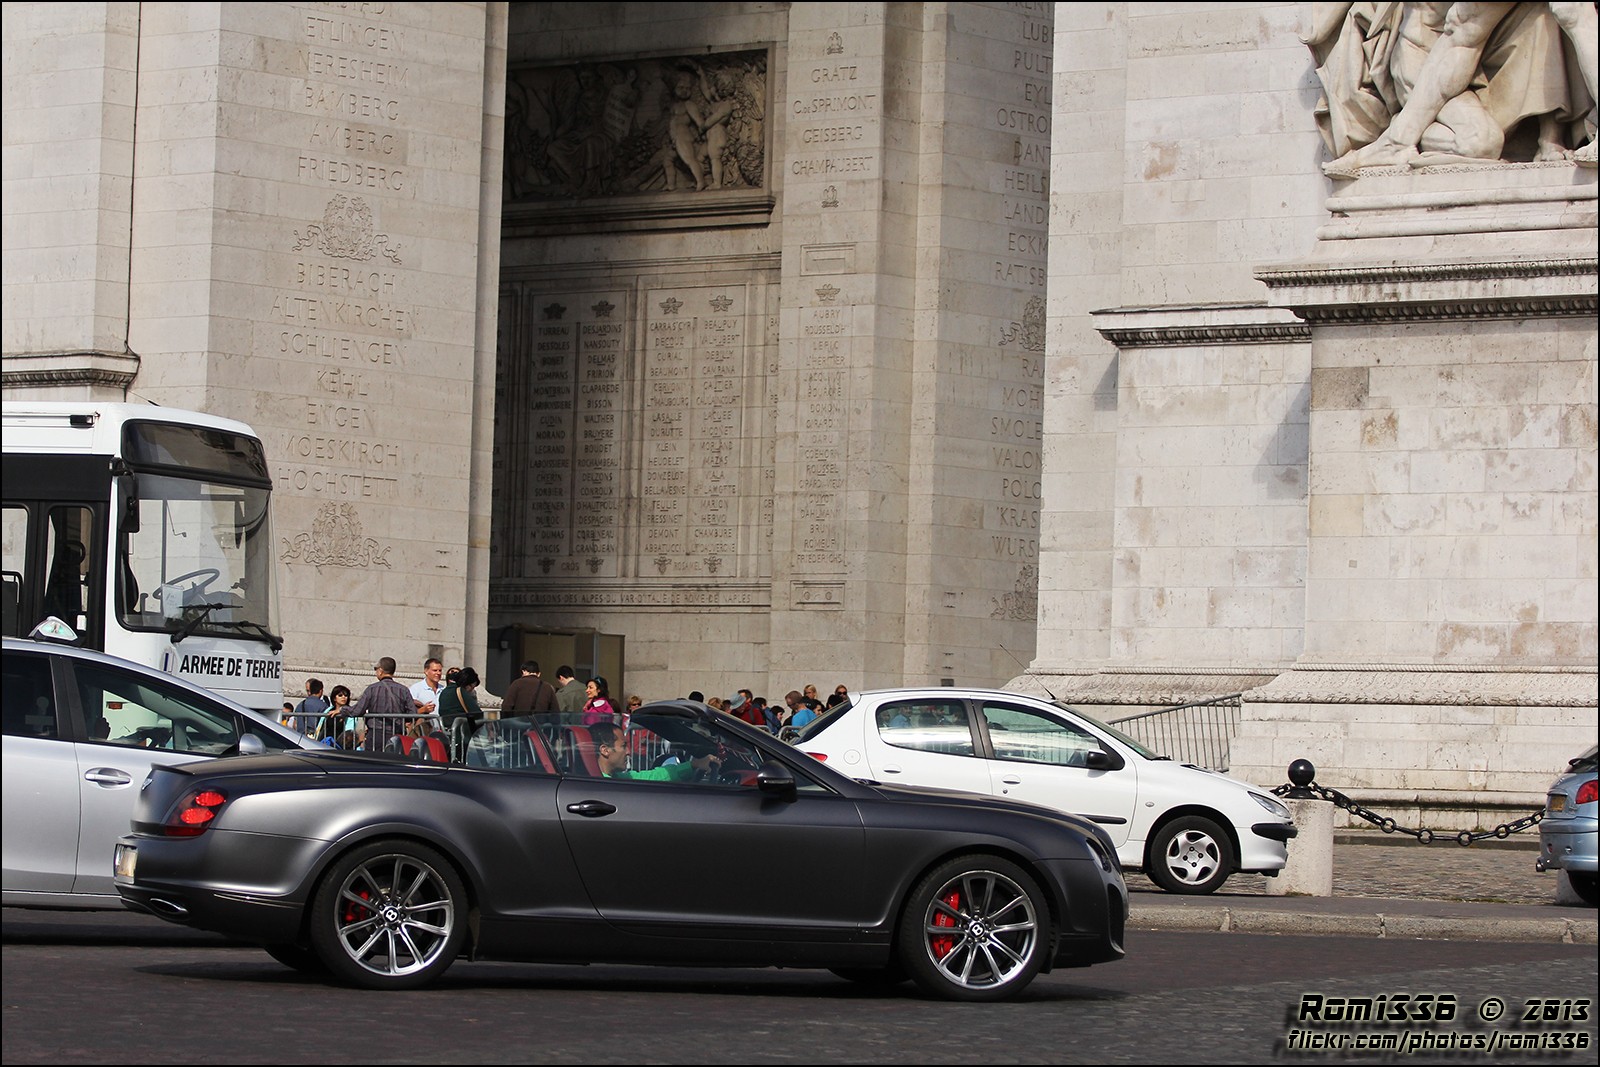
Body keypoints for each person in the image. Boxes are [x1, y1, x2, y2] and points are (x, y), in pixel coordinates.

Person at [589, 721, 718, 782]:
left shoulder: (613, 780)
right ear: (605, 750)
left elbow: (652, 776)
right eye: (623, 746)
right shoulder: (608, 785)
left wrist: (692, 765)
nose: (628, 752)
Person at [351, 657, 414, 752]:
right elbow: (412, 713)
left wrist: (341, 710)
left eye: (376, 669)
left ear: (380, 671)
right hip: (397, 734)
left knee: (374, 762)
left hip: (376, 734)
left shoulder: (372, 689)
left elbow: (357, 710)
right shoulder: (403, 690)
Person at [438, 666, 484, 733]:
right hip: (462, 733)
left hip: (448, 730)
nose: (472, 690)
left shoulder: (445, 691)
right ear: (467, 683)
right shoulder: (459, 691)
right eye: (472, 687)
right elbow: (477, 713)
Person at [410, 658, 445, 731]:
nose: (438, 673)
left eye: (440, 670)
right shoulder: (416, 689)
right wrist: (423, 709)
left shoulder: (443, 690)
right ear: (426, 671)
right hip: (423, 731)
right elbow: (409, 712)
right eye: (435, 670)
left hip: (441, 730)